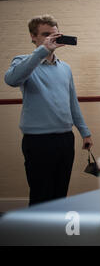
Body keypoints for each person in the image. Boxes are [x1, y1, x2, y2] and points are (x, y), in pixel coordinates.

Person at [4, 14, 93, 205]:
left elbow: (72, 103)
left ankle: (56, 232)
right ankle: (38, 234)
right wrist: (42, 51)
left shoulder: (65, 68)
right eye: (45, 35)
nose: (51, 39)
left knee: (60, 194)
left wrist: (85, 132)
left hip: (64, 139)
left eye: (54, 35)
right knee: (40, 194)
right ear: (33, 37)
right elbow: (11, 80)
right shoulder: (23, 61)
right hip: (38, 142)